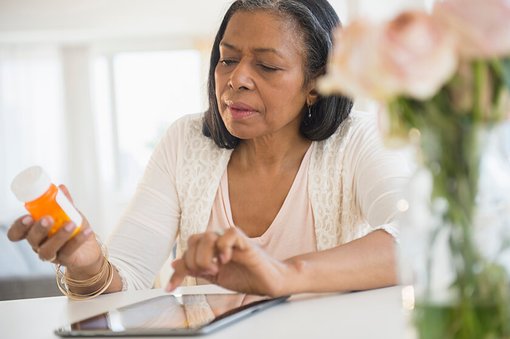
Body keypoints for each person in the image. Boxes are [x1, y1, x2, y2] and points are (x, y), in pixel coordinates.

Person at [7, 0, 410, 299]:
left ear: (315, 83)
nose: (236, 79)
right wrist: (88, 263)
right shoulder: (185, 141)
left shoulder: (355, 140)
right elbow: (123, 280)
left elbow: (416, 239)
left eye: (267, 66)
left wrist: (283, 275)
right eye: (227, 59)